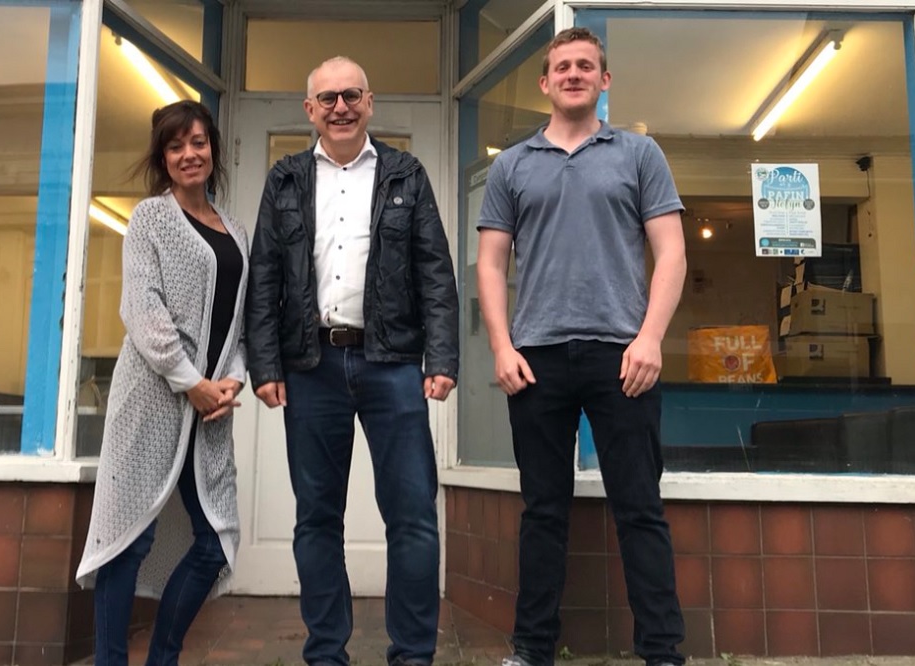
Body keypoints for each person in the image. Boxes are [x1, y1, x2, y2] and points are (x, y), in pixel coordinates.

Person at [475, 27, 687, 666]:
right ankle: (532, 649)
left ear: (604, 79)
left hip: (623, 357)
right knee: (543, 512)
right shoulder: (512, 164)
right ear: (545, 82)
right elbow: (491, 264)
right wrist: (501, 346)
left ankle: (662, 652)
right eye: (562, 66)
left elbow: (672, 252)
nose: (573, 74)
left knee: (639, 508)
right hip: (535, 359)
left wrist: (651, 339)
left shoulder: (639, 154)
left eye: (585, 66)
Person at [246, 56, 458, 666]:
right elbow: (264, 277)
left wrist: (441, 356)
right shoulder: (285, 180)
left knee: (413, 516)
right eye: (328, 98)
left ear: (370, 103)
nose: (340, 107)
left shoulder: (406, 174)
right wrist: (266, 365)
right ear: (309, 110)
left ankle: (413, 655)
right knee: (316, 519)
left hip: (392, 364)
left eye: (351, 96)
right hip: (310, 367)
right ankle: (325, 654)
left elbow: (435, 272)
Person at [76, 100, 250, 666]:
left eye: (198, 142)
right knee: (129, 538)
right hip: (151, 400)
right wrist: (189, 381)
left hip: (211, 410)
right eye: (175, 146)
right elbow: (143, 309)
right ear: (163, 158)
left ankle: (163, 657)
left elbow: (241, 324)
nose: (188, 154)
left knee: (214, 541)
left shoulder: (237, 231)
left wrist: (231, 381)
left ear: (213, 148)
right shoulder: (150, 219)